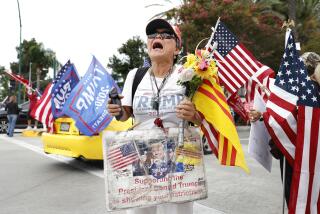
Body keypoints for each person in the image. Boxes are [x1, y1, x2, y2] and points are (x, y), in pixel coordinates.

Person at [107, 18, 202, 214]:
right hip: (141, 159)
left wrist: (195, 115)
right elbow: (126, 114)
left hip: (179, 161)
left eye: (165, 35)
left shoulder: (189, 76)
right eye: (152, 35)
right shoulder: (135, 76)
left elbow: (205, 118)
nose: (157, 38)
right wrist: (117, 110)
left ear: (177, 49)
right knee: (140, 211)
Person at [248, 51, 320, 205]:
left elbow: (288, 120)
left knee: (297, 198)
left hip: (297, 156)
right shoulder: (309, 92)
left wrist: (265, 115)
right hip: (310, 156)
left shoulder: (307, 93)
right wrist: (263, 114)